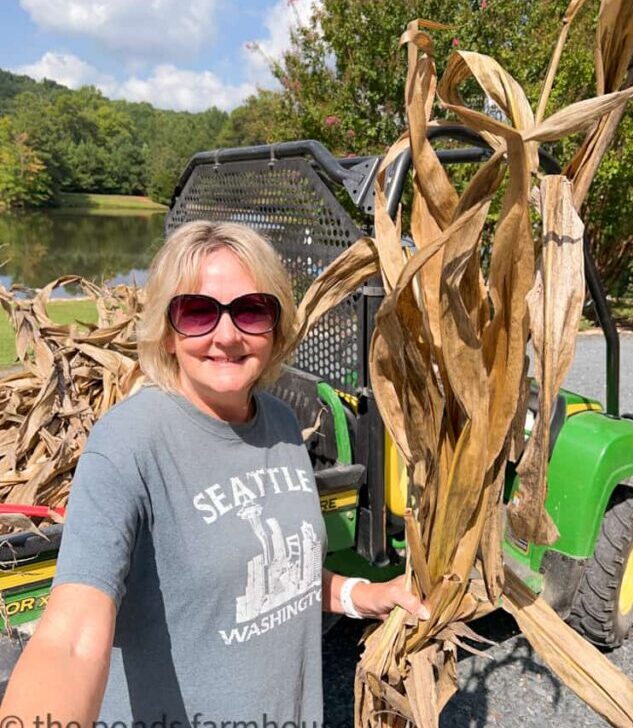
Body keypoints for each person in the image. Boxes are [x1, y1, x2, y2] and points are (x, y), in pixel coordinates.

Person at [0, 221, 428, 726]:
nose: (226, 335)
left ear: (277, 325)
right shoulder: (129, 443)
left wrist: (364, 595)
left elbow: (281, 576)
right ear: (167, 328)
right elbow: (70, 639)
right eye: (198, 312)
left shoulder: (282, 425)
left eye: (251, 311)